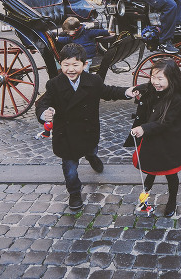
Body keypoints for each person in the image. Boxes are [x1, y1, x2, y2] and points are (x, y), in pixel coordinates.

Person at [35, 44, 137, 211]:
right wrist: (44, 112)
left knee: (91, 148)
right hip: (66, 135)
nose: (70, 69)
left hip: (87, 130)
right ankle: (74, 192)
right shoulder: (54, 84)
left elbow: (109, 92)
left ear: (85, 64)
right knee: (70, 170)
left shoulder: (94, 81)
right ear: (60, 64)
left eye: (75, 65)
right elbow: (43, 103)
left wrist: (127, 92)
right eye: (66, 65)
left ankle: (92, 157)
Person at [128, 58, 181, 218]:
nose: (155, 82)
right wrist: (137, 92)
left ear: (171, 79)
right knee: (151, 168)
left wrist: (143, 129)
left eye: (160, 78)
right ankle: (145, 196)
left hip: (169, 141)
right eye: (153, 77)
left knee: (170, 173)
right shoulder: (152, 88)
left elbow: (164, 123)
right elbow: (145, 90)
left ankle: (172, 200)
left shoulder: (176, 98)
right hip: (153, 138)